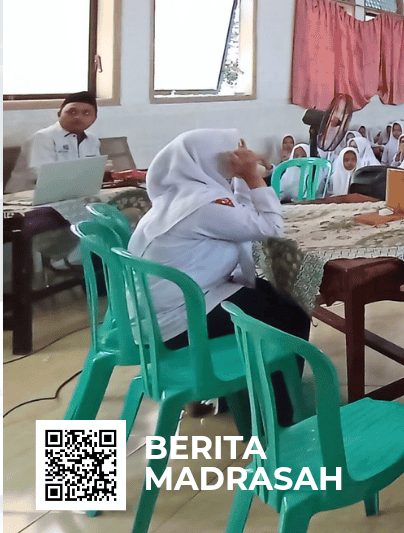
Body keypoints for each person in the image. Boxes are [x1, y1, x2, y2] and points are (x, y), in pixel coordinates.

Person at [128, 129, 310, 424]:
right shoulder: (203, 207)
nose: (239, 159)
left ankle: (237, 394)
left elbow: (242, 214)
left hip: (163, 313)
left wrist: (240, 179)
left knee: (273, 297)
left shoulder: (183, 197)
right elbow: (271, 228)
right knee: (292, 312)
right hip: (180, 325)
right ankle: (274, 413)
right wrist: (253, 177)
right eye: (232, 156)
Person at [8, 91, 102, 193]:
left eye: (86, 113)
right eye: (72, 112)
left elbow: (93, 173)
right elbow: (41, 176)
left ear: (94, 119)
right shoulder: (42, 137)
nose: (78, 117)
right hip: (25, 197)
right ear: (59, 114)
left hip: (70, 194)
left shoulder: (92, 140)